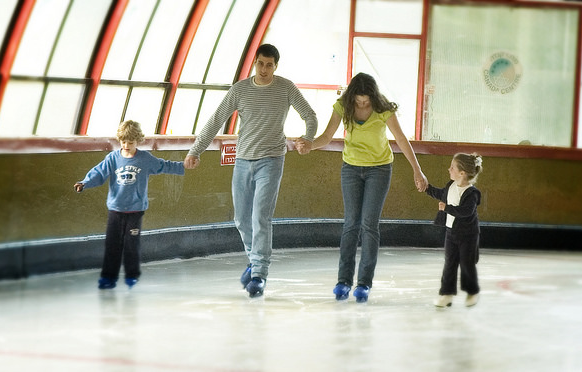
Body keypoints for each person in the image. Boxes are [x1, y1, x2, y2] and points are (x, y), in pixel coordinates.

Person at [183, 44, 318, 298]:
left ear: (276, 66)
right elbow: (216, 119)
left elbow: (310, 115)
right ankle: (254, 259)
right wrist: (195, 150)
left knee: (260, 217)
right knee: (241, 219)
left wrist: (307, 138)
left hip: (272, 159)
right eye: (260, 63)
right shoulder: (241, 89)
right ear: (254, 63)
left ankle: (259, 274)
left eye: (269, 65)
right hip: (243, 160)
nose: (264, 69)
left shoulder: (285, 88)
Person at [297, 72, 428, 303]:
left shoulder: (383, 108)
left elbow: (401, 139)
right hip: (351, 168)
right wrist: (310, 145)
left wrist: (417, 170)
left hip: (379, 169)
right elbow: (327, 136)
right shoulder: (342, 107)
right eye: (358, 101)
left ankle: (364, 283)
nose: (363, 104)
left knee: (369, 224)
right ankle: (343, 281)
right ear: (351, 98)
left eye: (366, 101)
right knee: (351, 224)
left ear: (373, 97)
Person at [74, 120, 185, 290]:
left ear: (138, 141)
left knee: (131, 245)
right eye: (123, 142)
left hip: (135, 210)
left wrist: (183, 166)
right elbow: (99, 172)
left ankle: (132, 275)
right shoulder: (113, 158)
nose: (126, 145)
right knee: (112, 245)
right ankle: (108, 278)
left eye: (131, 142)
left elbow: (163, 165)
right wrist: (84, 183)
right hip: (115, 209)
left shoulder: (145, 159)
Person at [425, 153, 483, 307]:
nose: (449, 169)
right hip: (451, 233)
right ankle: (447, 294)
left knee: (467, 263)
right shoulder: (450, 186)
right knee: (449, 263)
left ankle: (472, 291)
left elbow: (466, 211)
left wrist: (447, 208)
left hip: (468, 235)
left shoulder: (472, 193)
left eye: (452, 167)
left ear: (462, 173)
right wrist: (427, 188)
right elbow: (440, 194)